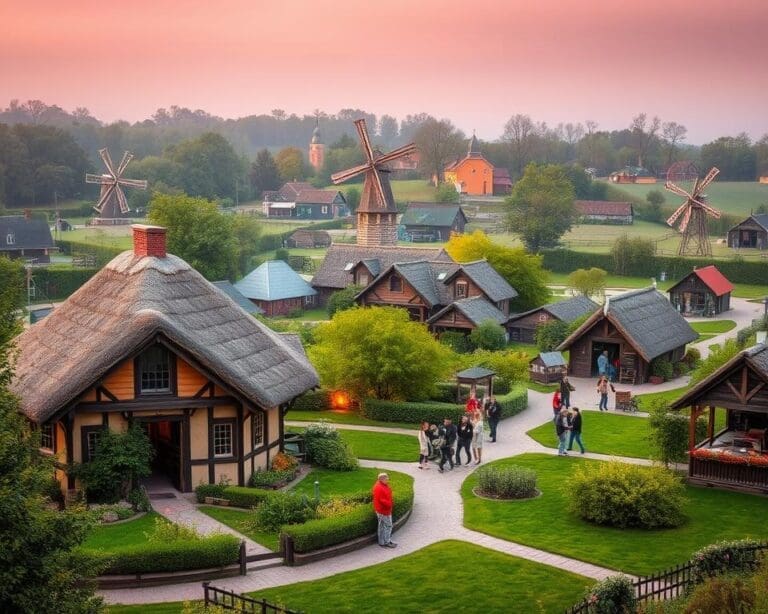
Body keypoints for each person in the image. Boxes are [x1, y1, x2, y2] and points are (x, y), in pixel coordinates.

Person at [372, 472, 396, 548]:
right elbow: (382, 500)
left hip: (381, 510)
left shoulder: (380, 485)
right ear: (382, 479)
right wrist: (390, 505)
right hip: (384, 511)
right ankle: (387, 542)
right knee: (388, 526)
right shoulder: (379, 488)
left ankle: (382, 542)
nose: (388, 479)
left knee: (382, 526)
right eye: (386, 478)